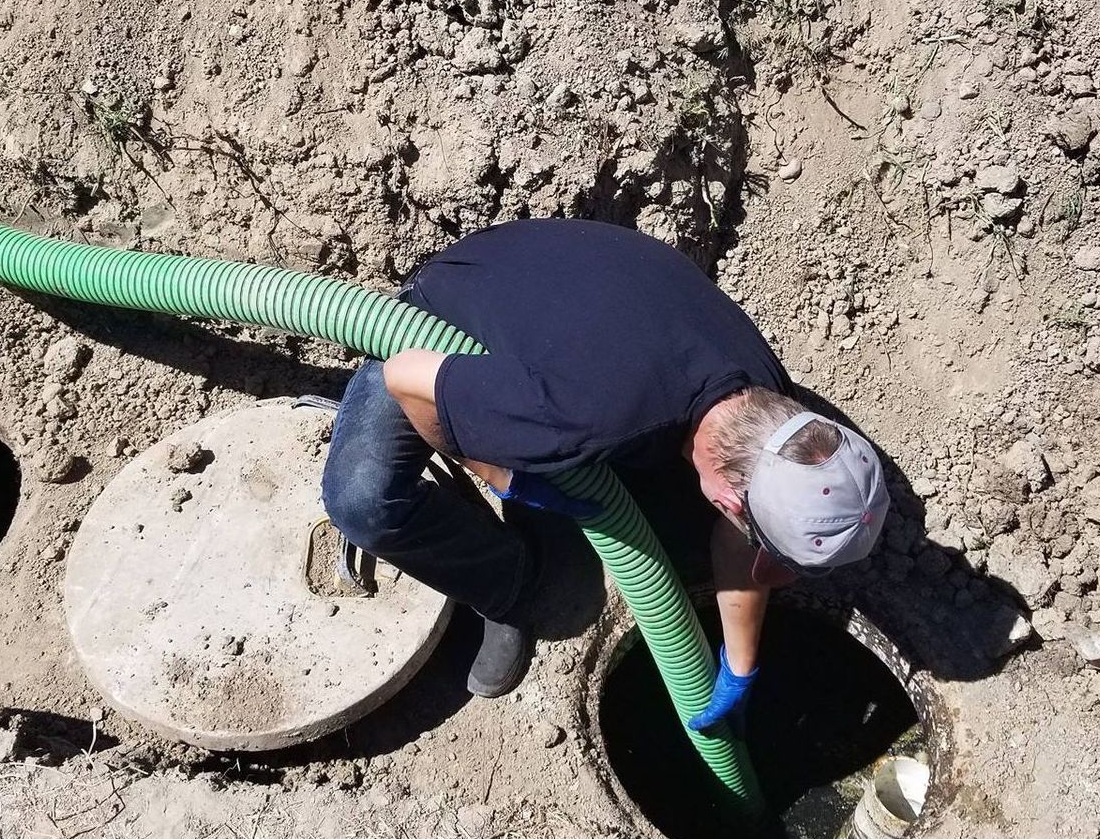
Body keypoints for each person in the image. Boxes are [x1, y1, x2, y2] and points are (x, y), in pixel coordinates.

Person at [321, 219, 888, 723]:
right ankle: (506, 584)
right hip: (438, 322)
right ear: (732, 503)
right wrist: (504, 474)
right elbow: (406, 375)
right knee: (362, 505)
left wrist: (739, 664)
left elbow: (739, 532)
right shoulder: (579, 420)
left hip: (557, 279)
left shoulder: (770, 399)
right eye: (767, 547)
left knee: (666, 513)